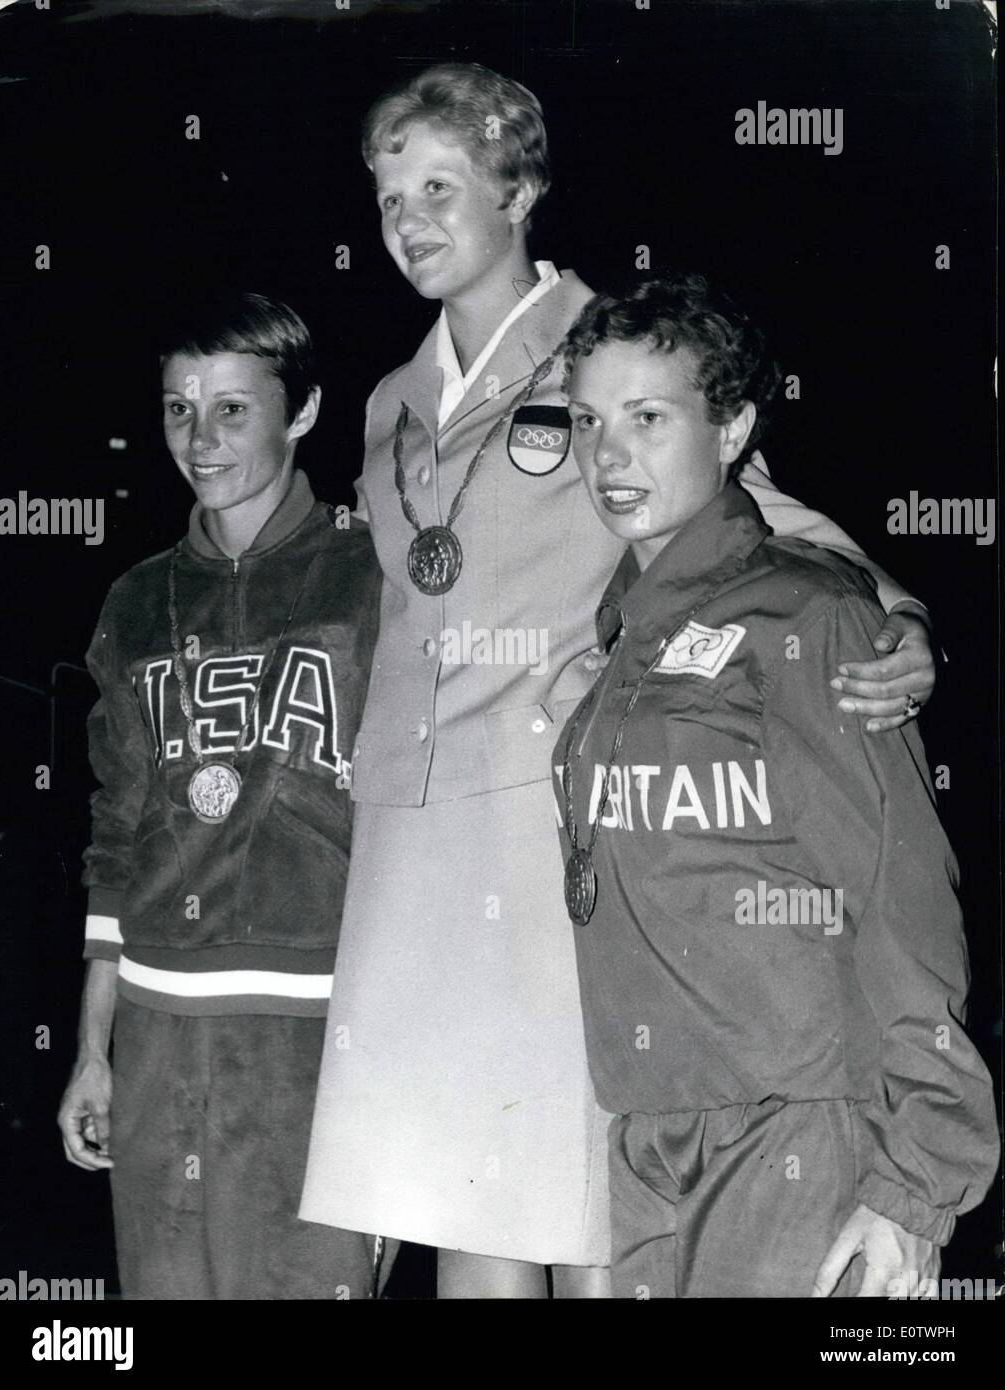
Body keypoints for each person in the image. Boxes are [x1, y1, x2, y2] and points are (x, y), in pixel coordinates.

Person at [299, 63, 938, 1299]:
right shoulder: (388, 401)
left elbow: (780, 518)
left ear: (521, 188)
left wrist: (902, 614)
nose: (410, 221)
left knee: (584, 1199)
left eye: (441, 186)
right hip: (409, 844)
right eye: (388, 199)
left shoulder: (606, 353)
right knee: (458, 1198)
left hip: (552, 824)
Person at [550, 273, 999, 1298]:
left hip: (799, 1127)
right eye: (587, 421)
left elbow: (897, 898)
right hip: (651, 1133)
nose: (609, 456)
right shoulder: (626, 634)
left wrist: (914, 1184)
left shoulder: (806, 615)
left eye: (648, 418)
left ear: (734, 423)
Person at [57, 292, 382, 1299]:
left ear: (306, 410)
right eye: (177, 409)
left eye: (233, 409)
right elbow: (115, 834)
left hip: (318, 1034)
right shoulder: (137, 599)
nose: (200, 439)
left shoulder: (373, 578)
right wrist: (91, 1050)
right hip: (158, 1033)